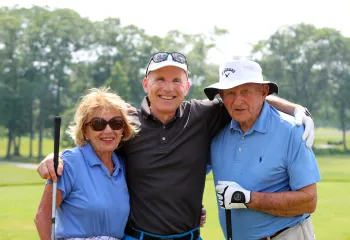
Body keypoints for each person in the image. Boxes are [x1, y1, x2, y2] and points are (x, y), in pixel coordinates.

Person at [36, 52, 315, 240]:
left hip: (190, 236)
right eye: (159, 79)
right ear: (146, 84)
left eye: (176, 80)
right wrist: (53, 157)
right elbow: (93, 141)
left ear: (186, 86)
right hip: (140, 236)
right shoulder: (125, 124)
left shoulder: (205, 115)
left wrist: (295, 109)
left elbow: (246, 99)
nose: (167, 88)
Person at [204, 60, 321, 240]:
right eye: (230, 93)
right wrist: (189, 209)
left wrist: (247, 199)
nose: (237, 100)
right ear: (221, 96)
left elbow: (309, 201)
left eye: (245, 91)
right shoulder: (217, 132)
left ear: (263, 92)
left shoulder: (291, 131)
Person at [34, 87, 138, 239]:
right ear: (85, 131)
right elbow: (42, 216)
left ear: (123, 129)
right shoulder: (69, 164)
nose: (108, 130)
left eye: (116, 123)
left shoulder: (123, 164)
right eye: (98, 124)